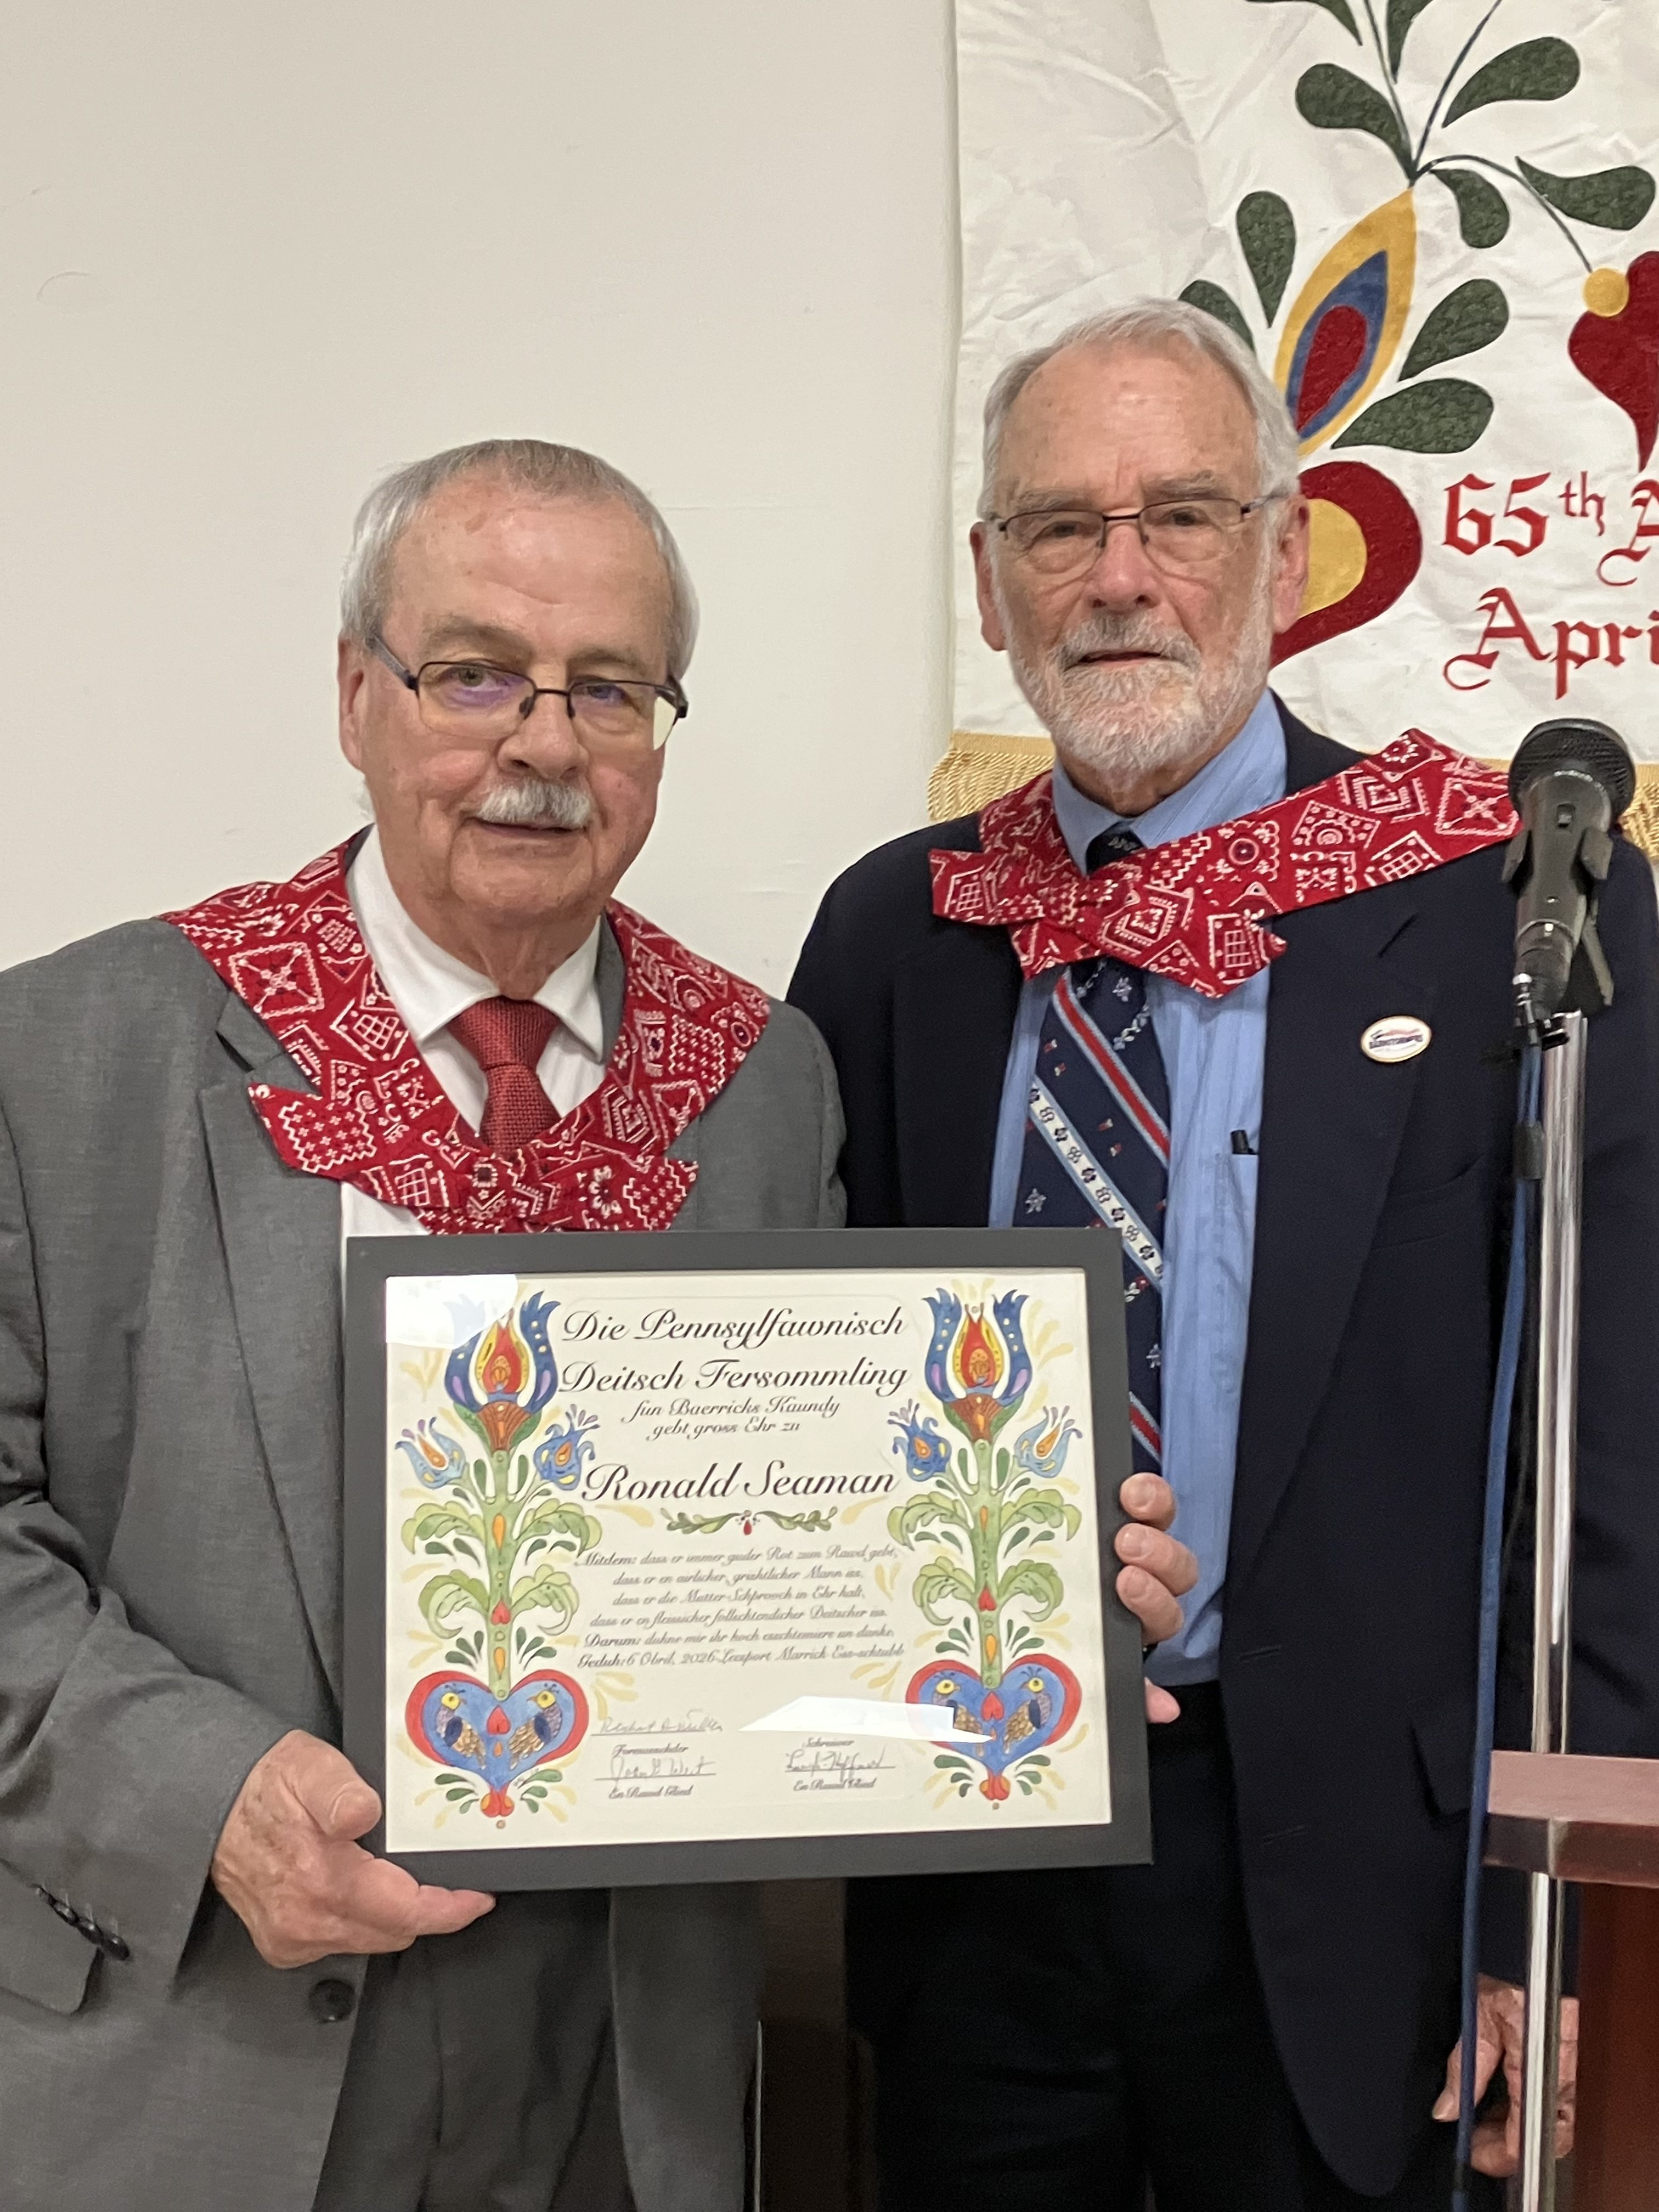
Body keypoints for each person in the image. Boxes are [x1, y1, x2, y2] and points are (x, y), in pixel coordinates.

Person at [788, 304, 1659, 2211]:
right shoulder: (896, 936)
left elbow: (1613, 1446)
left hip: (1376, 1889)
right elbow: (811, 1384)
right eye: (1058, 529)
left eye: (1182, 514)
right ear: (992, 583)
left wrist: (1568, 1914)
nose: (1120, 579)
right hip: (979, 1870)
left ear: (1284, 549)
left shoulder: (1502, 901)